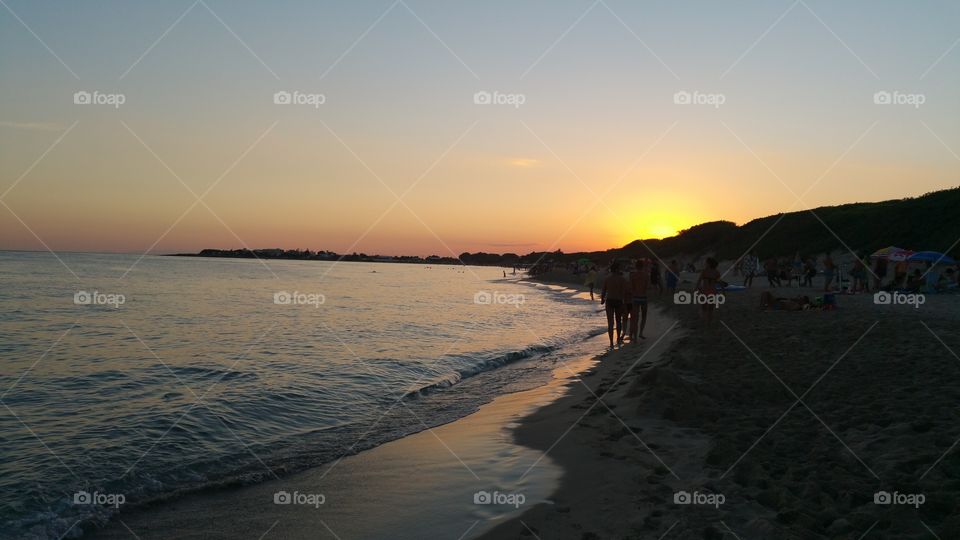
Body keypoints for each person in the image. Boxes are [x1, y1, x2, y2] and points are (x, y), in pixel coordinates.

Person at [600, 263, 629, 347]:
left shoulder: (607, 279)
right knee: (618, 321)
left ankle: (611, 342)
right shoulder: (622, 279)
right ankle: (618, 339)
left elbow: (603, 291)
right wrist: (624, 303)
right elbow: (624, 292)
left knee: (610, 322)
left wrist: (602, 299)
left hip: (609, 301)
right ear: (617, 269)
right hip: (619, 301)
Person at [629, 259, 651, 341]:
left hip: (635, 297)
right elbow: (648, 287)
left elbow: (631, 288)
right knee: (644, 316)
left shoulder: (633, 276)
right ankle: (641, 333)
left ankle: (634, 336)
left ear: (636, 266)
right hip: (643, 297)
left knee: (635, 317)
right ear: (643, 266)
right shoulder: (646, 275)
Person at [697, 257, 721, 323]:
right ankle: (709, 322)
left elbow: (699, 281)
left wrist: (696, 289)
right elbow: (719, 282)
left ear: (709, 264)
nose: (705, 264)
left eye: (706, 263)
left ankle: (705, 321)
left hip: (704, 291)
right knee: (710, 309)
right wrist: (723, 291)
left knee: (704, 308)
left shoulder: (704, 271)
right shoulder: (717, 272)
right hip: (713, 291)